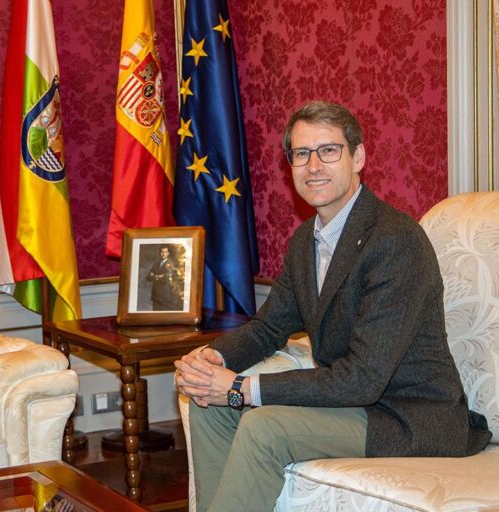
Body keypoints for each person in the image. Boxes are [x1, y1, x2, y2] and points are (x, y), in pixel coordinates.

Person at [174, 101, 492, 511]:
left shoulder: (395, 240)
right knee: (208, 408)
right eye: (301, 154)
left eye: (329, 150)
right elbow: (269, 328)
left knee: (263, 426)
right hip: (354, 403)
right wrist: (211, 358)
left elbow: (364, 379)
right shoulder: (307, 240)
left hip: (406, 415)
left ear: (357, 157)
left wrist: (239, 388)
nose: (313, 166)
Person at [145, 246, 182, 310]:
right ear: (160, 253)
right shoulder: (155, 264)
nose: (163, 254)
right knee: (155, 316)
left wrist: (155, 276)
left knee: (163, 316)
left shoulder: (171, 264)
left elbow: (167, 277)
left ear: (168, 253)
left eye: (165, 252)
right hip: (155, 295)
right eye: (162, 252)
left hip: (165, 295)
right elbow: (148, 277)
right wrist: (157, 276)